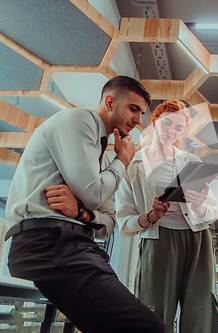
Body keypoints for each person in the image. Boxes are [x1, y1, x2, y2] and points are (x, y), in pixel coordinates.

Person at [5, 76, 165, 332]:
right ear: (110, 102)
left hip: (78, 246)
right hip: (48, 243)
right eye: (133, 109)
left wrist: (81, 213)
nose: (138, 120)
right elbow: (93, 195)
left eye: (142, 113)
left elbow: (109, 224)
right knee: (147, 328)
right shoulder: (80, 119)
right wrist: (122, 159)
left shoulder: (102, 161)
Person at [116, 99, 218, 333]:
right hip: (158, 240)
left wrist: (199, 206)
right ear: (154, 121)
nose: (171, 132)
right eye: (167, 124)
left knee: (201, 310)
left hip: (197, 240)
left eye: (178, 128)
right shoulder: (134, 165)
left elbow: (212, 211)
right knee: (154, 309)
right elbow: (124, 221)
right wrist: (152, 216)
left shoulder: (192, 161)